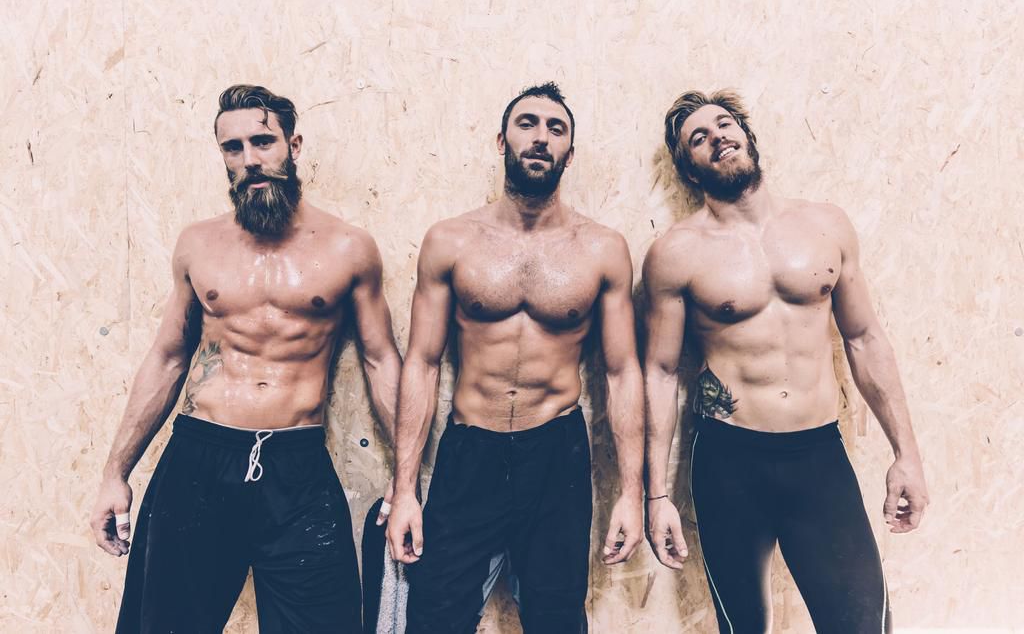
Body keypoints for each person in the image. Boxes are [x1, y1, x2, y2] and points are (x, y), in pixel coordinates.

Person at [89, 84, 402, 633]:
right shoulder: (199, 244)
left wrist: (407, 479)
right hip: (199, 457)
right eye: (233, 148)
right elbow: (168, 358)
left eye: (263, 141)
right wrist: (115, 473)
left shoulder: (348, 248)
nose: (250, 159)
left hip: (296, 465)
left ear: (293, 145)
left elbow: (381, 361)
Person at [643, 89, 929, 633]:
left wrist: (906, 455)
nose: (717, 136)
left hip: (817, 454)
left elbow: (865, 338)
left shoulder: (825, 226)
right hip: (728, 458)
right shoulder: (676, 253)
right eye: (698, 138)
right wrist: (657, 495)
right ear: (690, 169)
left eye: (725, 124)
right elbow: (659, 372)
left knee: (862, 625)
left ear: (747, 137)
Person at [386, 83, 645, 633]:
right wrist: (404, 489)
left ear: (569, 154)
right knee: (435, 618)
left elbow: (623, 373)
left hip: (556, 451)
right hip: (470, 449)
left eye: (556, 128)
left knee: (557, 619)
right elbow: (422, 363)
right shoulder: (451, 241)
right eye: (527, 124)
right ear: (501, 141)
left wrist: (631, 492)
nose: (541, 137)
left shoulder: (601, 248)